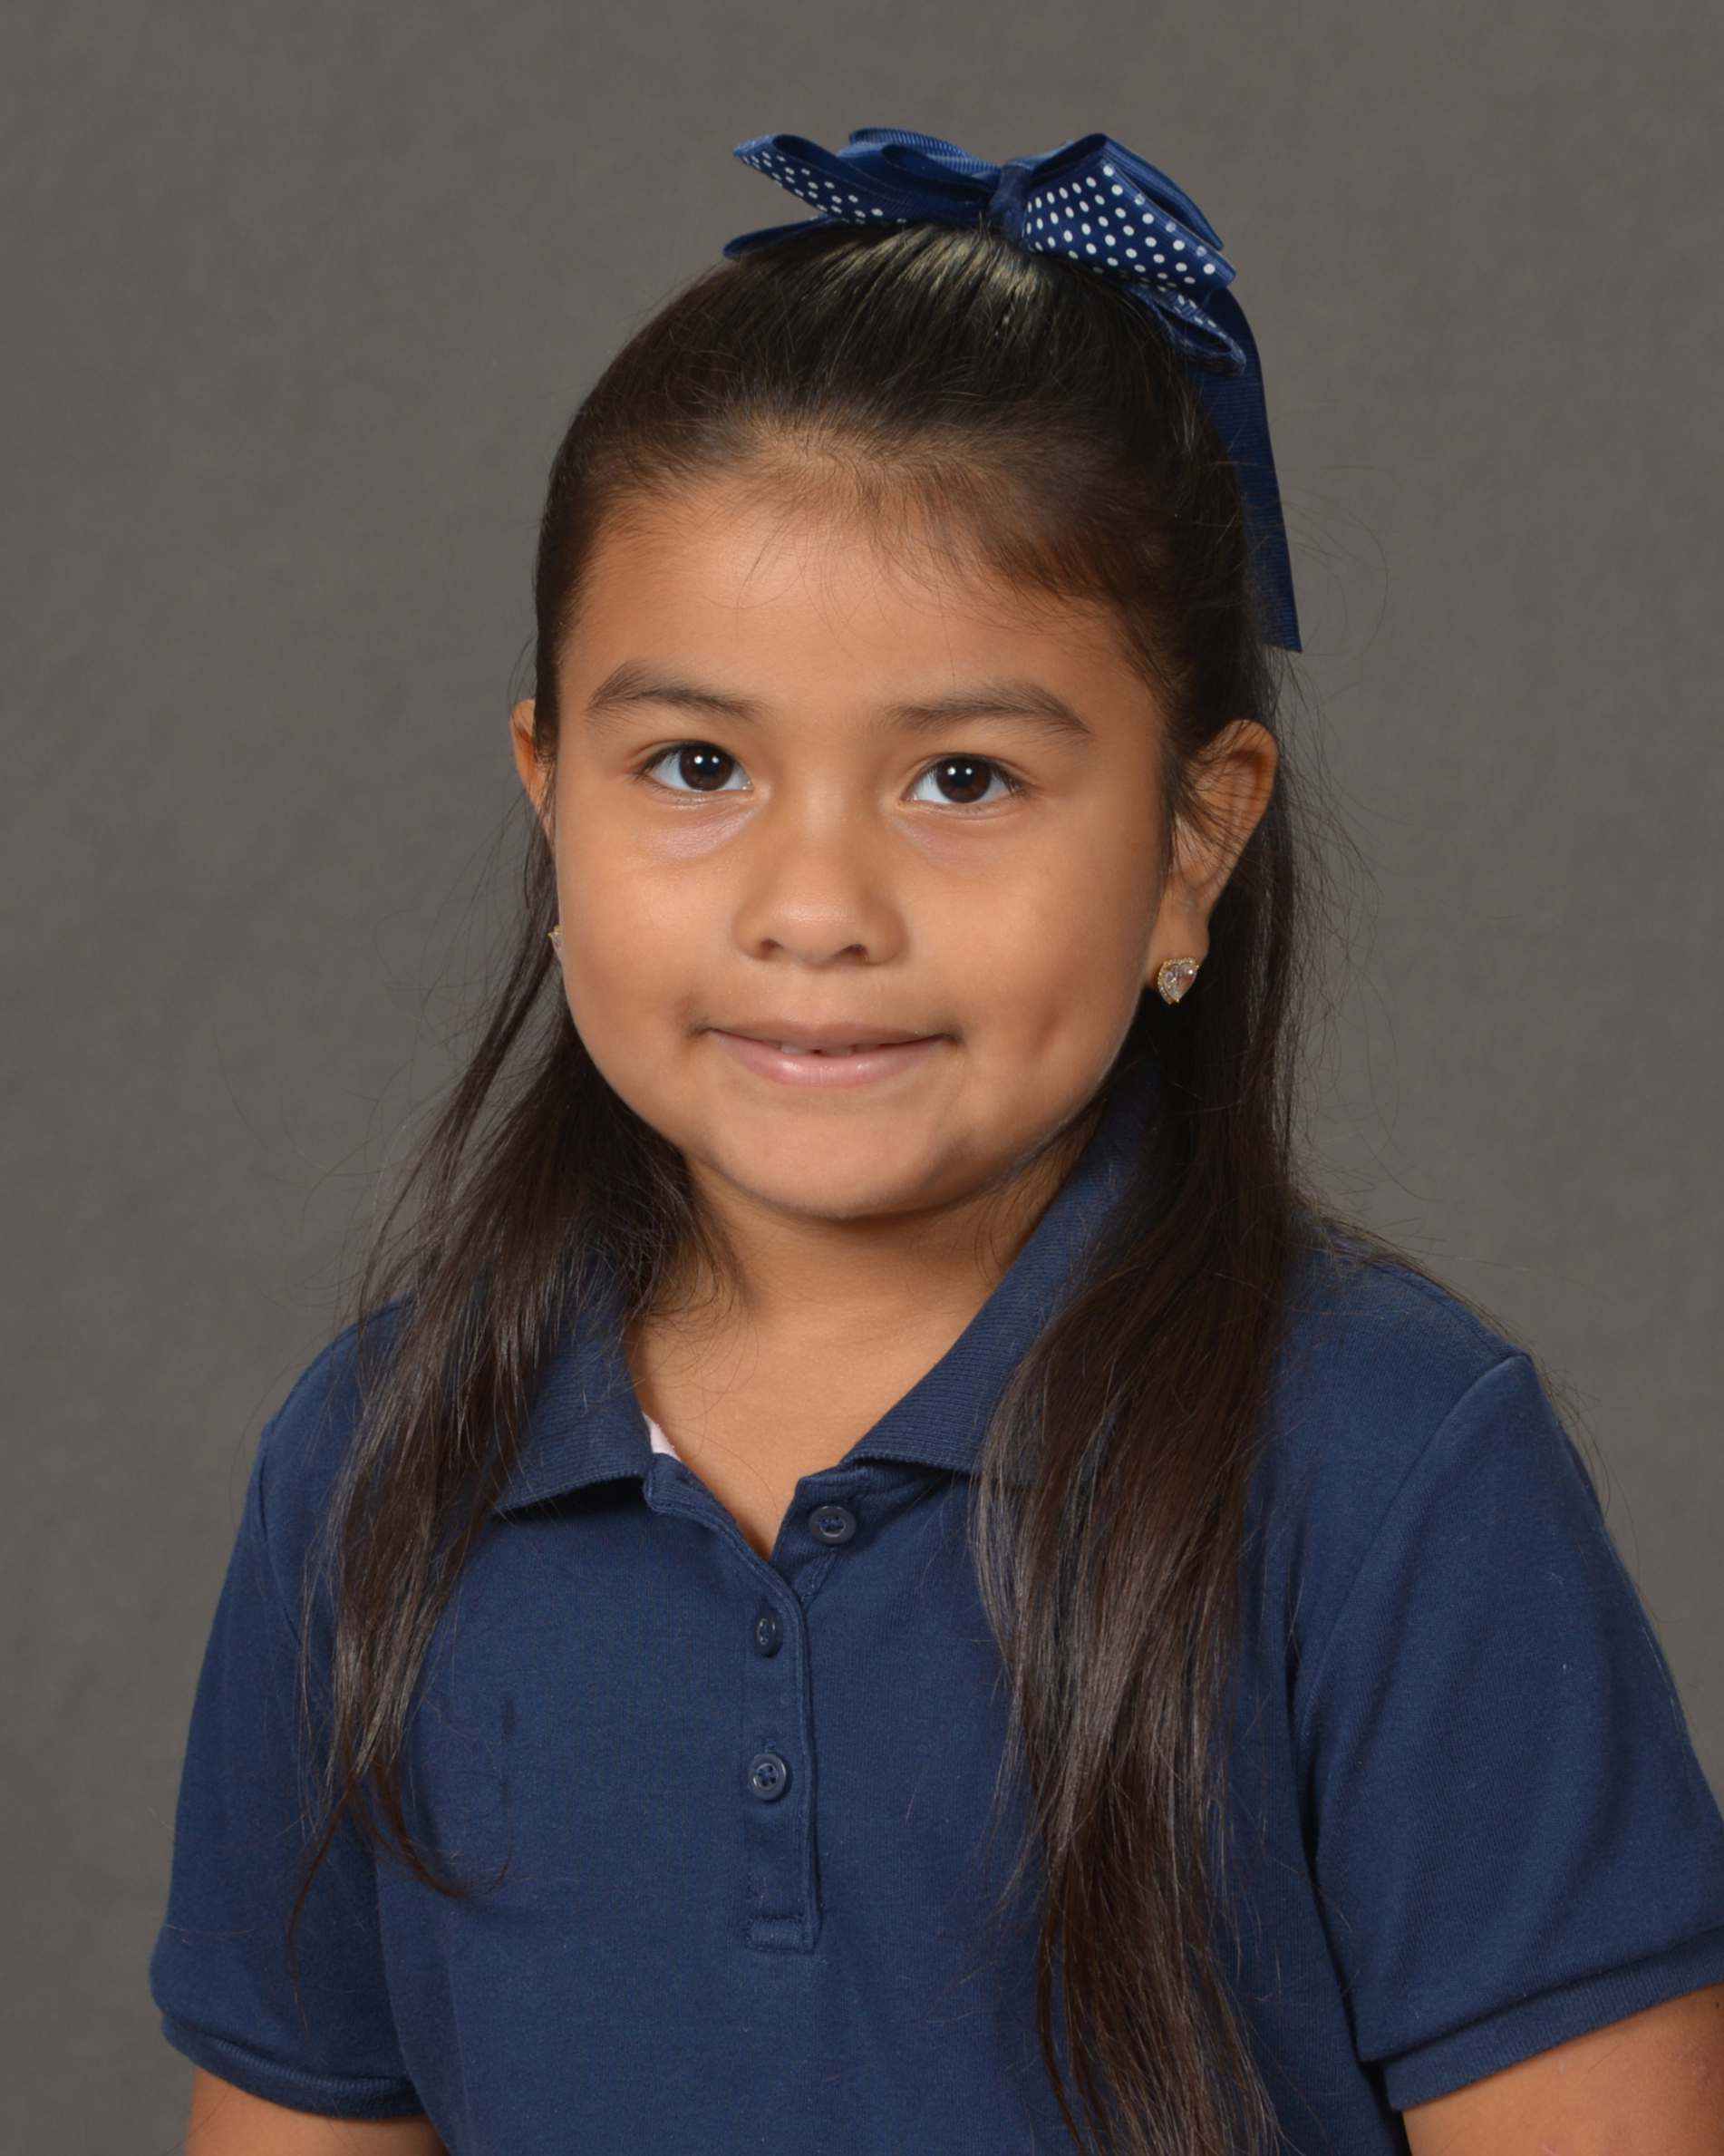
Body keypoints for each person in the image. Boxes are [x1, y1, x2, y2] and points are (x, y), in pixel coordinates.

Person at [151, 131, 1724, 2156]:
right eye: (696, 764)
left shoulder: (1388, 1471)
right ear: (549, 793)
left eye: (963, 778)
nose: (817, 907)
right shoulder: (378, 1469)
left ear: (1195, 834)